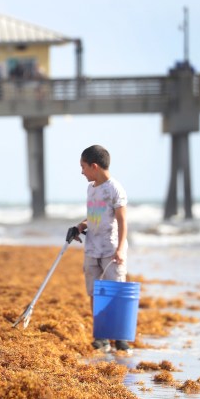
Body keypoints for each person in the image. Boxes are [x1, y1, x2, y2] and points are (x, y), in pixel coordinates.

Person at [70, 144, 130, 353]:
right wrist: (80, 227)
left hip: (111, 250)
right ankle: (101, 337)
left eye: (83, 167)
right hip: (92, 249)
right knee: (95, 293)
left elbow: (123, 221)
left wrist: (121, 249)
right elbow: (93, 217)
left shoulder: (115, 189)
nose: (81, 171)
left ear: (94, 166)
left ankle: (121, 338)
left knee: (116, 292)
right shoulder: (91, 188)